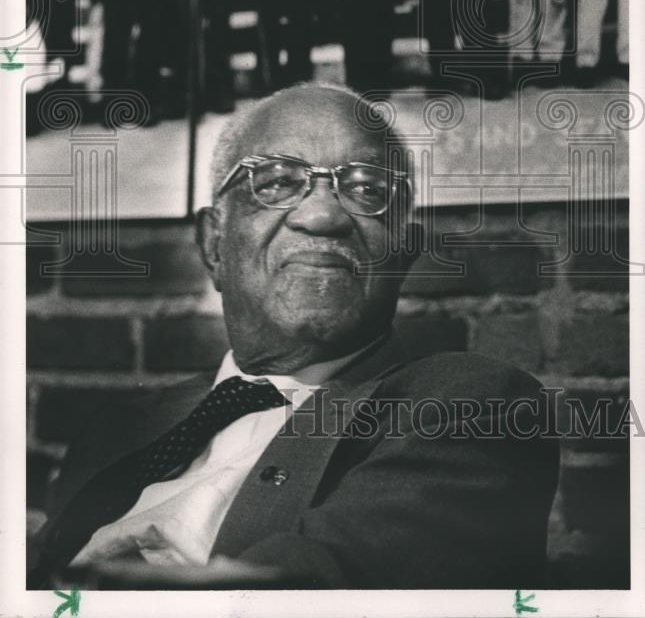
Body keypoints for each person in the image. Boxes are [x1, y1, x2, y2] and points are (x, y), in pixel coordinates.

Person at [29, 83, 559, 589]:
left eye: (367, 190)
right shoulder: (117, 430)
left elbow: (334, 581)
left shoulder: (473, 406)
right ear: (214, 243)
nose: (324, 215)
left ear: (403, 252)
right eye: (277, 181)